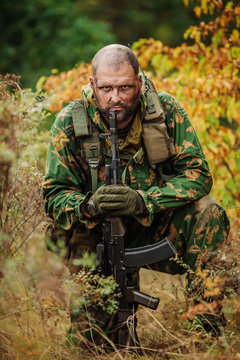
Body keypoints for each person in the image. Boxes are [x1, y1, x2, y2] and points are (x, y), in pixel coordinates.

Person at [42, 44, 230, 344]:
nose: (115, 97)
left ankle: (206, 333)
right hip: (95, 236)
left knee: (209, 213)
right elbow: (53, 194)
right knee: (90, 344)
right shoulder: (69, 122)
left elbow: (198, 175)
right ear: (92, 84)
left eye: (125, 87)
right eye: (106, 88)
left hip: (152, 226)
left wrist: (145, 201)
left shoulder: (165, 111)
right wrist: (89, 205)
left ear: (139, 82)